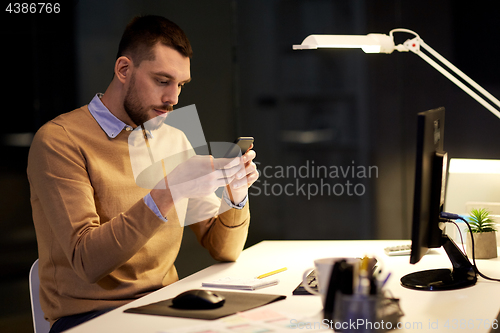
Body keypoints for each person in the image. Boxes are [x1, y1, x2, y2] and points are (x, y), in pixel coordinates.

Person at [27, 15, 258, 332]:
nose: (173, 99)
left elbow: (223, 249)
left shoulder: (174, 136)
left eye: (180, 85)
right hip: (92, 317)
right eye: (162, 81)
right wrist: (168, 192)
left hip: (166, 307)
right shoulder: (59, 141)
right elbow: (86, 261)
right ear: (123, 69)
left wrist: (235, 193)